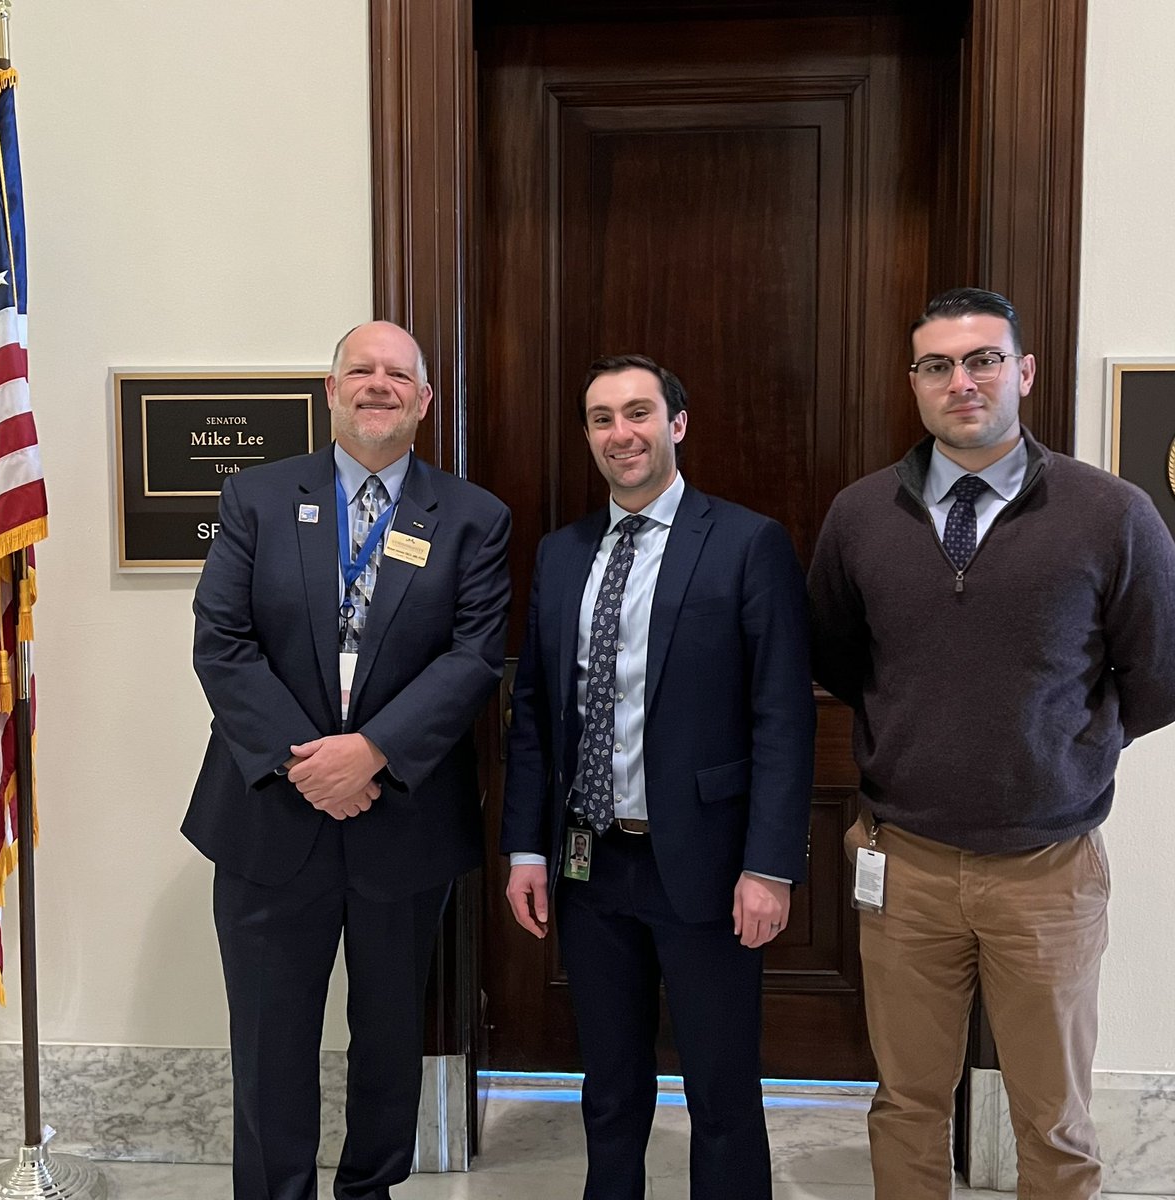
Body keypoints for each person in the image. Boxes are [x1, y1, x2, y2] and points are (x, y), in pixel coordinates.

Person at [807, 287, 1175, 1200]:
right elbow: (842, 661)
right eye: (938, 365)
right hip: (907, 867)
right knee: (906, 1105)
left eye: (982, 361)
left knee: (1053, 1120)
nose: (960, 382)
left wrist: (1056, 749)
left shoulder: (1111, 513)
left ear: (1024, 372)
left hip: (1047, 875)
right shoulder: (859, 518)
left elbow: (1159, 675)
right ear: (915, 384)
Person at [183, 320, 511, 1200]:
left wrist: (370, 752)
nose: (378, 384)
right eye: (359, 370)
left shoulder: (474, 518)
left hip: (400, 819)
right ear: (330, 392)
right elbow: (222, 641)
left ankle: (370, 1189)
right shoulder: (256, 496)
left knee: (391, 1037)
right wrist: (309, 763)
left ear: (425, 401)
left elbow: (473, 656)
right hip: (268, 816)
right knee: (268, 1036)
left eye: (397, 374)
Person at [501, 354, 816, 1200]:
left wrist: (770, 865)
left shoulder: (747, 543)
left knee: (719, 1090)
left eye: (638, 413)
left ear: (677, 424)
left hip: (710, 868)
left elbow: (783, 717)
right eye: (602, 419)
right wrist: (524, 852)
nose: (620, 434)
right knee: (607, 1087)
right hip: (590, 864)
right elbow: (533, 712)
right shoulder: (563, 555)